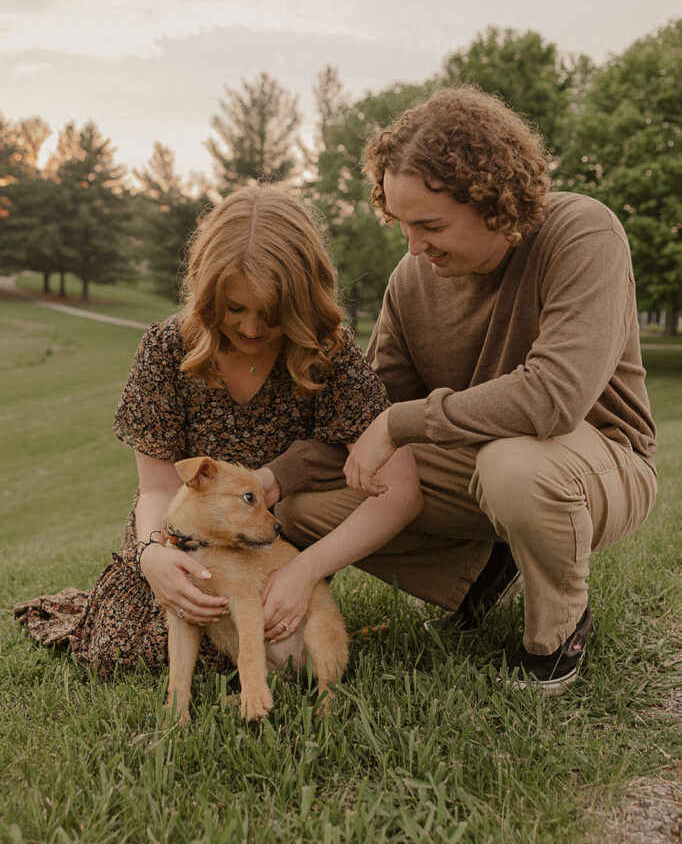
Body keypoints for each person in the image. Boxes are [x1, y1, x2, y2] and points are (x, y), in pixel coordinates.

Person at [275, 86, 657, 694]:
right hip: (476, 465)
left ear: (495, 202)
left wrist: (399, 423)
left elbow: (553, 397)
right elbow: (363, 420)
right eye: (401, 225)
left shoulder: (583, 233)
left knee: (515, 466)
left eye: (430, 225)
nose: (415, 246)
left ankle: (556, 635)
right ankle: (480, 574)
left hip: (597, 462)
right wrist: (273, 480)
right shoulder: (412, 280)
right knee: (306, 505)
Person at [14, 184, 422, 676]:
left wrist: (304, 570)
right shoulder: (166, 348)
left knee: (264, 638)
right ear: (209, 294)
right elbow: (159, 487)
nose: (251, 329)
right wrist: (152, 558)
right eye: (235, 309)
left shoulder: (325, 351)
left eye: (271, 315)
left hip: (266, 548)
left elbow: (402, 490)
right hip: (179, 536)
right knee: (124, 651)